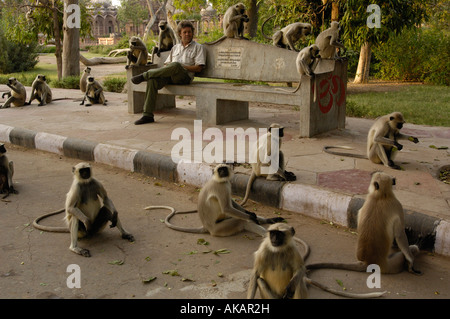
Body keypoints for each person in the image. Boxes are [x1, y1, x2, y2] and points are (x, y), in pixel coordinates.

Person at [131, 21, 206, 125]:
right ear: (180, 34)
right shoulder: (175, 48)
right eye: (185, 32)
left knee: (176, 65)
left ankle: (145, 75)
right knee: (153, 81)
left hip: (184, 78)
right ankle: (147, 115)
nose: (187, 34)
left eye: (189, 32)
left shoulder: (198, 47)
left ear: (192, 33)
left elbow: (198, 68)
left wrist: (181, 67)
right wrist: (171, 68)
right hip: (170, 76)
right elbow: (167, 64)